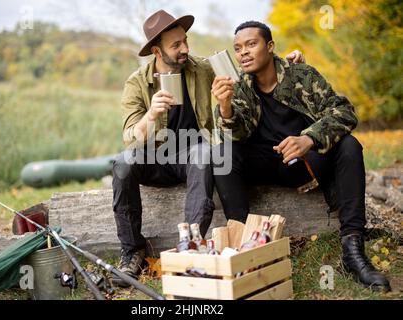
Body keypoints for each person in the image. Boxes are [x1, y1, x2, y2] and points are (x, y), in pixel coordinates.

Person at [111, 10, 305, 287]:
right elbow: (131, 139)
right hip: (157, 158)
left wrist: (285, 62)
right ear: (156, 50)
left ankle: (192, 247)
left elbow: (250, 73)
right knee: (122, 163)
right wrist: (151, 114)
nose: (185, 49)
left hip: (195, 156)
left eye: (185, 41)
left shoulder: (201, 68)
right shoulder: (137, 83)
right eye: (176, 45)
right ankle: (132, 251)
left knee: (204, 152)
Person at [211, 20, 390, 292]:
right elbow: (236, 133)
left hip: (305, 163)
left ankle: (353, 250)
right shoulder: (240, 86)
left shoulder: (302, 75)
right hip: (264, 163)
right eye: (238, 48)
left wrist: (309, 138)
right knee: (222, 152)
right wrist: (225, 108)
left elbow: (344, 111)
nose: (243, 53)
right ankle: (242, 249)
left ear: (270, 47)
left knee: (350, 145)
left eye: (251, 44)